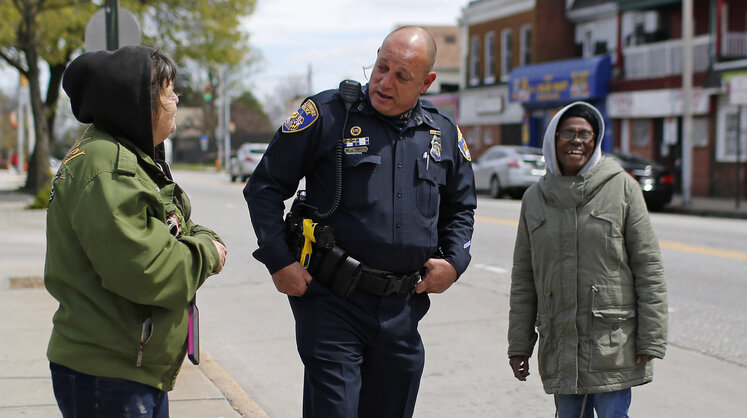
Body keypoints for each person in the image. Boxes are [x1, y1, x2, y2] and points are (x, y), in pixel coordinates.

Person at [243, 26, 476, 417]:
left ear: (426, 82)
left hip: (402, 309)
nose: (384, 82)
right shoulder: (328, 114)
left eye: (402, 76)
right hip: (332, 302)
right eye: (381, 66)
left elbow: (461, 207)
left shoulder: (442, 133)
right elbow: (264, 187)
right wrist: (279, 261)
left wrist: (455, 261)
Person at [44, 46, 227, 417]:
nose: (176, 98)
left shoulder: (130, 156)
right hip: (110, 374)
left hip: (124, 369)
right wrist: (209, 252)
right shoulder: (110, 167)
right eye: (167, 90)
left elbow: (180, 225)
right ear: (136, 101)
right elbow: (149, 269)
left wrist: (200, 240)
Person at [507, 101, 668, 418]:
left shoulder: (622, 187)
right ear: (553, 140)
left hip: (613, 345)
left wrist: (652, 337)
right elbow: (524, 280)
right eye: (567, 133)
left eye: (585, 134)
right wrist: (519, 344)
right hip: (561, 344)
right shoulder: (535, 199)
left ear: (596, 142)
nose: (576, 141)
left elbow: (648, 267)